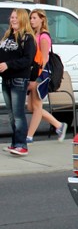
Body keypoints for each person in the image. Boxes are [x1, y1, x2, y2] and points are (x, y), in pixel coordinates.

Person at [26, 9, 67, 142]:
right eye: (31, 18)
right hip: (33, 73)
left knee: (37, 107)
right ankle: (59, 125)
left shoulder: (44, 36)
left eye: (34, 18)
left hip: (41, 74)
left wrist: (35, 77)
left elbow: (43, 59)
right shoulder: (33, 34)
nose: (32, 20)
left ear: (42, 19)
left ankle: (28, 136)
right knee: (31, 107)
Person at [0, 9, 37, 156]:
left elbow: (28, 60)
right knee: (10, 113)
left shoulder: (27, 38)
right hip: (6, 79)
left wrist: (9, 65)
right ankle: (15, 143)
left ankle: (22, 145)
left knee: (18, 113)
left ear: (22, 19)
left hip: (18, 79)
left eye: (16, 17)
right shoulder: (8, 36)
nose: (13, 19)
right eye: (12, 17)